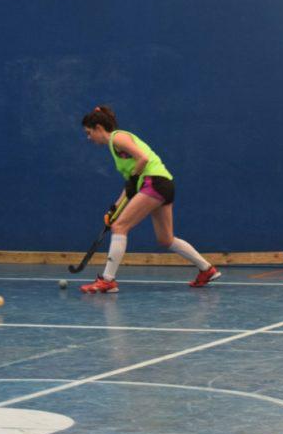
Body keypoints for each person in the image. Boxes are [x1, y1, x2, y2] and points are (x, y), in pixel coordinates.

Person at [79, 105, 220, 293]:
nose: (89, 138)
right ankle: (207, 269)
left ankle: (107, 280)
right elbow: (131, 184)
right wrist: (114, 208)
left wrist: (135, 180)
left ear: (98, 128)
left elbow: (143, 159)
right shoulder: (115, 146)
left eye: (89, 133)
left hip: (154, 182)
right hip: (162, 184)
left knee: (120, 227)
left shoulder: (117, 138)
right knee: (165, 239)